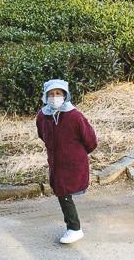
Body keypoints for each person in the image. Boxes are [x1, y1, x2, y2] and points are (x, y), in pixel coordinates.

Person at [36, 79, 97, 245]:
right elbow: (43, 135)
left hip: (73, 162)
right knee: (61, 190)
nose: (55, 97)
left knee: (63, 192)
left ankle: (74, 228)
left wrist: (76, 154)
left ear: (65, 95)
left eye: (59, 93)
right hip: (56, 162)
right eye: (51, 94)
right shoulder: (43, 116)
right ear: (46, 95)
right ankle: (73, 227)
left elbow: (91, 140)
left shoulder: (75, 116)